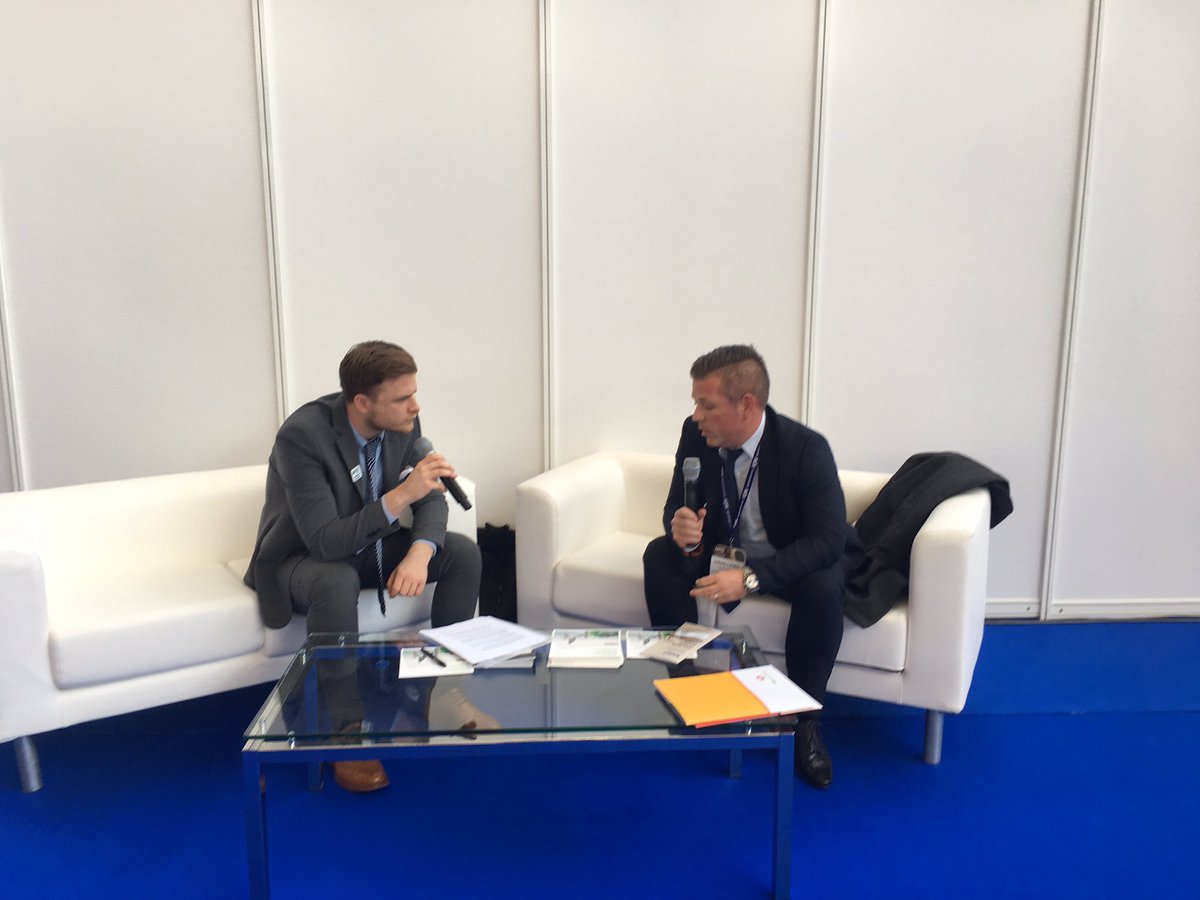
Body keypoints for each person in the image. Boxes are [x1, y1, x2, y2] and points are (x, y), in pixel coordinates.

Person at [245, 340, 481, 792]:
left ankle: (442, 692)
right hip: (301, 559)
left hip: (368, 545)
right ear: (362, 402)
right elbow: (325, 541)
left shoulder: (403, 422)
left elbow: (431, 494)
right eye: (402, 398)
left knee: (460, 553)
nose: (415, 406)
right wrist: (403, 494)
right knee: (336, 579)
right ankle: (345, 731)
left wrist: (420, 551)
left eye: (414, 394)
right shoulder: (302, 437)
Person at [642, 345, 850, 789]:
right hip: (722, 551)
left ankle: (804, 721)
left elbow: (827, 541)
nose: (696, 415)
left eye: (707, 405)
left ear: (746, 405)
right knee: (659, 555)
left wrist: (752, 579)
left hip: (786, 558)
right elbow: (675, 505)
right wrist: (680, 528)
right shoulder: (695, 435)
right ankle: (687, 687)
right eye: (696, 403)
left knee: (823, 585)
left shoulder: (805, 448)